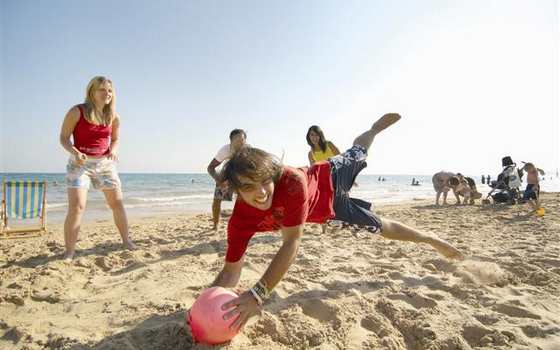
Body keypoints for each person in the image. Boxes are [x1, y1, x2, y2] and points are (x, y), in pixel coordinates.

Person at [211, 113, 463, 330]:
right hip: (331, 211)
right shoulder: (240, 221)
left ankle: (373, 130)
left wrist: (257, 294)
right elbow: (231, 271)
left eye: (265, 181)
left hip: (331, 174)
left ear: (274, 174)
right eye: (248, 187)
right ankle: (430, 239)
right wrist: (208, 299)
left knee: (358, 149)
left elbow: (291, 243)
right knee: (381, 227)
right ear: (236, 190)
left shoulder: (291, 182)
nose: (262, 192)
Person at [59, 76, 136, 260]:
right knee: (77, 207)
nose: (106, 94)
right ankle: (69, 251)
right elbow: (63, 137)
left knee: (116, 203)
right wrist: (75, 152)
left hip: (104, 163)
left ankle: (126, 240)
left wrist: (114, 150)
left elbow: (115, 139)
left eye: (109, 90)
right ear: (91, 92)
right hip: (80, 164)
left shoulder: (113, 116)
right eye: (102, 90)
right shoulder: (76, 112)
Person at [207, 129, 247, 231]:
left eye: (242, 140)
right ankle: (215, 224)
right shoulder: (225, 150)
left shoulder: (248, 150)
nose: (240, 143)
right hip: (226, 174)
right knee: (217, 200)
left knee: (244, 200)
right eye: (236, 140)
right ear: (231, 141)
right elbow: (210, 168)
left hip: (241, 174)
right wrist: (219, 182)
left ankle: (242, 223)